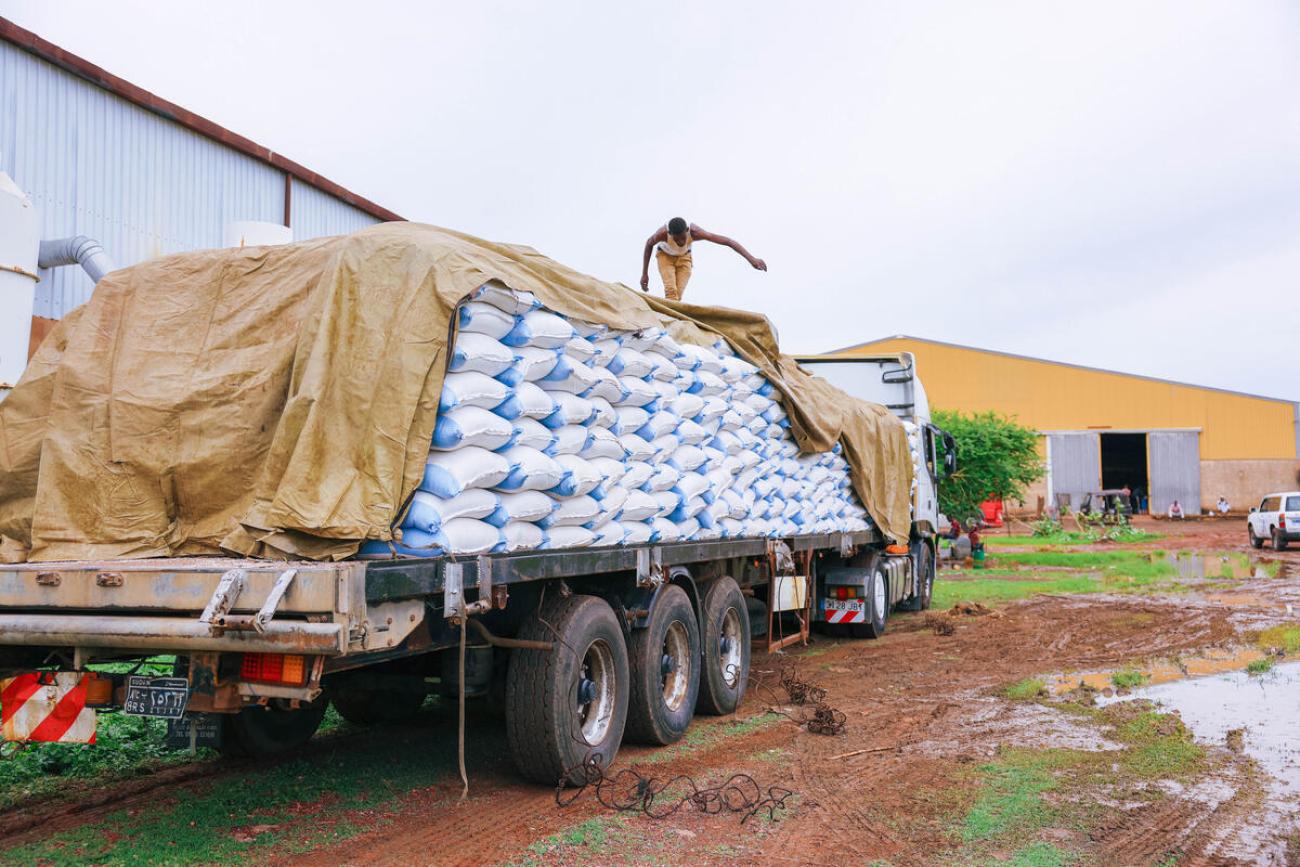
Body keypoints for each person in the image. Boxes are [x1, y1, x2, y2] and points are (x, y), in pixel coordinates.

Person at [639, 217, 767, 301]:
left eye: (683, 237)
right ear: (669, 234)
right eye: (676, 239)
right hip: (665, 257)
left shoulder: (695, 232)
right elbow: (648, 245)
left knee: (678, 295)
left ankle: (672, 321)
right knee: (671, 292)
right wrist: (645, 274)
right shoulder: (661, 234)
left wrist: (752, 259)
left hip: (685, 258)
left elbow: (727, 241)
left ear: (687, 230)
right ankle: (667, 323)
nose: (680, 242)